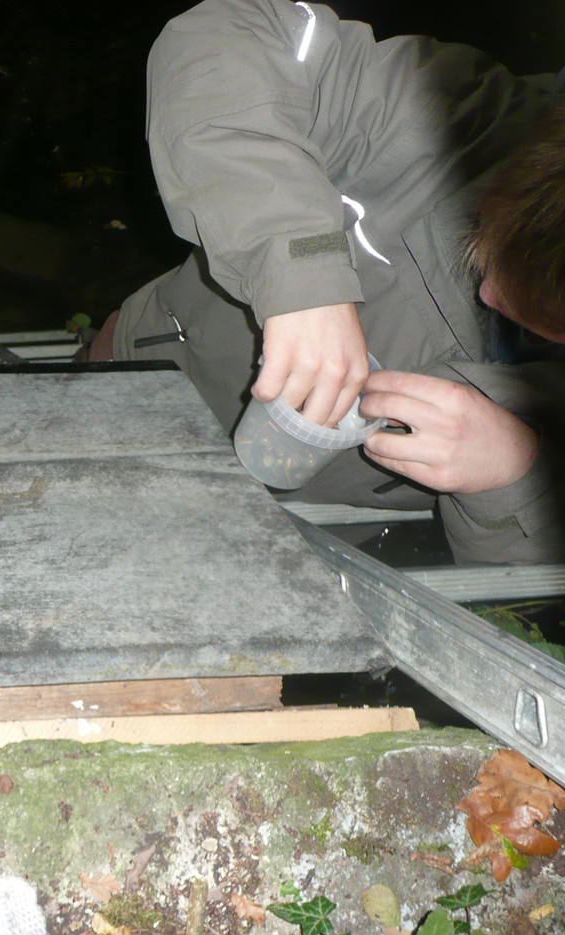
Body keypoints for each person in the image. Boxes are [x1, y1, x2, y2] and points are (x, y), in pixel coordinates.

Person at [86, 0, 565, 563]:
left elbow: (524, 603)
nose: (488, 297)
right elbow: (228, 30)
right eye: (489, 244)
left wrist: (515, 477)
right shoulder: (458, 110)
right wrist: (303, 274)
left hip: (301, 534)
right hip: (150, 371)